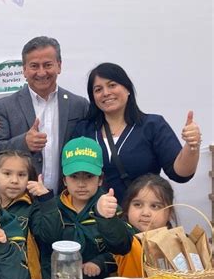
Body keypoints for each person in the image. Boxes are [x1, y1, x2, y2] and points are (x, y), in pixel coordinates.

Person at [74, 62, 201, 202]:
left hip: (143, 218)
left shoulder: (153, 126)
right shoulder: (84, 131)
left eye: (112, 85)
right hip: (97, 219)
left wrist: (192, 146)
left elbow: (181, 174)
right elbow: (70, 176)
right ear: (93, 98)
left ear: (127, 89)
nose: (106, 93)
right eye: (98, 89)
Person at [0, 36, 89, 193]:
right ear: (24, 70)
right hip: (22, 202)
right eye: (34, 66)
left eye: (48, 65)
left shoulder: (79, 105)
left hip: (68, 200)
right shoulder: (5, 106)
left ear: (59, 66)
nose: (42, 72)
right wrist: (24, 143)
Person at [56, 137, 132, 279]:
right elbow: (45, 247)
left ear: (100, 179)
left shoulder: (110, 207)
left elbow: (124, 247)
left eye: (89, 176)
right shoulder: (54, 208)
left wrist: (101, 262)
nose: (81, 184)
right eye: (74, 176)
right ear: (65, 180)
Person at [0, 150, 59, 279]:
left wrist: (47, 200)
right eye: (7, 173)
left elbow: (51, 236)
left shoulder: (31, 206)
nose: (14, 180)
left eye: (21, 175)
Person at [115, 174, 177, 277]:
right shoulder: (121, 240)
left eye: (155, 206)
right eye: (137, 204)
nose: (146, 213)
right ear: (127, 208)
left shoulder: (179, 242)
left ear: (169, 213)